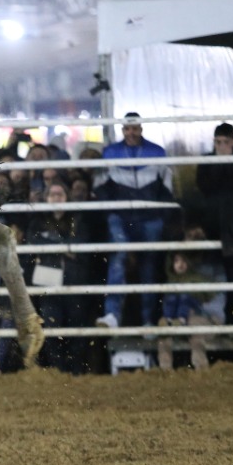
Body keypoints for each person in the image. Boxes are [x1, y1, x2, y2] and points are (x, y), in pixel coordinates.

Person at [94, 112, 174, 330]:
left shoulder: (157, 152)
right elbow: (100, 187)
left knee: (150, 266)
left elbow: (168, 188)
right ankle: (112, 315)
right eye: (128, 128)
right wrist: (110, 214)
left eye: (135, 128)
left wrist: (162, 216)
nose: (131, 132)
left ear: (141, 128)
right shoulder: (110, 153)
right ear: (122, 130)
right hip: (121, 216)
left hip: (150, 217)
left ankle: (149, 320)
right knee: (119, 258)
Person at [26, 181, 93, 374]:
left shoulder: (78, 219)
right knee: (52, 325)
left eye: (60, 194)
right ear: (46, 199)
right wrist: (65, 247)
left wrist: (52, 246)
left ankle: (76, 371)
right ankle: (58, 370)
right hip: (48, 279)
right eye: (52, 195)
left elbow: (82, 243)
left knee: (76, 325)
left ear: (67, 197)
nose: (56, 198)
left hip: (74, 279)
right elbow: (34, 241)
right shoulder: (38, 221)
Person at [155, 252, 217, 371]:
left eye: (184, 260)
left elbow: (212, 300)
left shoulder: (199, 279)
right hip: (175, 320)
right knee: (164, 336)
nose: (181, 264)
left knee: (196, 331)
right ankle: (165, 371)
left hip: (197, 317)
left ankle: (201, 369)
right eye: (177, 261)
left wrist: (213, 318)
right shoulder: (169, 282)